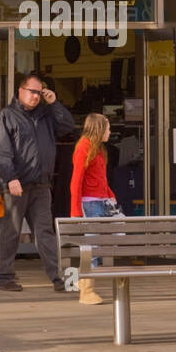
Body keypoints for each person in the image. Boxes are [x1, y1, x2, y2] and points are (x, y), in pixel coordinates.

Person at [0, 73, 76, 292]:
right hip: (17, 184)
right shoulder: (7, 116)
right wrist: (10, 178)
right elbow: (1, 152)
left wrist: (54, 103)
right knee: (11, 232)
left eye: (39, 93)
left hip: (41, 183)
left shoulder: (46, 114)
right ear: (20, 91)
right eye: (32, 92)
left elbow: (67, 126)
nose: (36, 96)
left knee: (45, 233)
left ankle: (58, 278)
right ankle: (4, 277)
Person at [69, 112, 117, 306]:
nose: (110, 131)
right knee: (93, 247)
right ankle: (85, 290)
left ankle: (80, 283)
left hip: (100, 201)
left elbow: (99, 178)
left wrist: (110, 195)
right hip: (90, 203)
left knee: (100, 243)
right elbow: (76, 181)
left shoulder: (97, 148)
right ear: (99, 129)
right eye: (108, 127)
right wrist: (75, 211)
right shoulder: (84, 147)